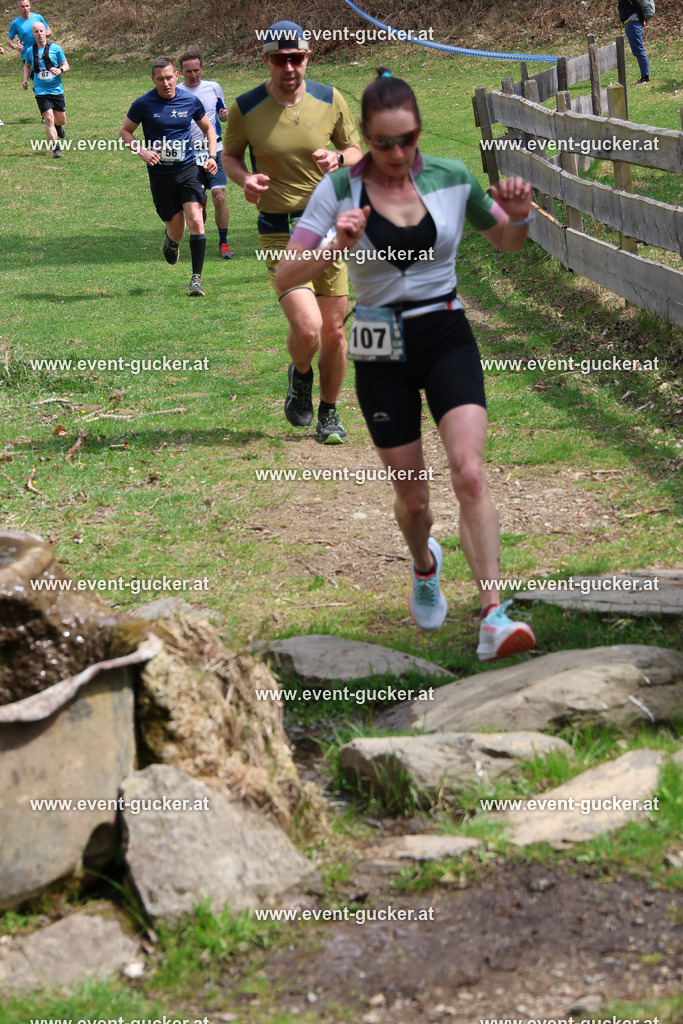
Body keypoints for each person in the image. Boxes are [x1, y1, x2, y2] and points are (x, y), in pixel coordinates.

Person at [276, 68, 537, 661]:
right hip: (376, 334)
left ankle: (493, 613)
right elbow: (285, 276)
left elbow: (507, 242)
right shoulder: (336, 192)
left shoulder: (450, 177)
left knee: (469, 471)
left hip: (444, 326)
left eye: (408, 139)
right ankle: (424, 564)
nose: (398, 154)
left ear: (420, 132)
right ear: (364, 138)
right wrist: (335, 249)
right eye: (384, 142)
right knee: (414, 498)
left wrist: (520, 216)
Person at [223, 20, 362, 444]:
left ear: (308, 58)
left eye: (296, 58)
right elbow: (228, 156)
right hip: (279, 232)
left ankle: (329, 412)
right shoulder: (246, 107)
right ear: (266, 60)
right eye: (280, 59)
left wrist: (338, 159)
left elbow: (356, 151)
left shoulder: (330, 98)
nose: (289, 67)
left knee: (334, 331)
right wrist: (244, 179)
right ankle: (301, 374)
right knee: (308, 329)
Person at [119, 56, 219, 297]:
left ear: (176, 76)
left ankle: (196, 279)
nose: (165, 83)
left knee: (196, 220)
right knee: (178, 230)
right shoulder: (143, 104)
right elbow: (125, 132)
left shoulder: (190, 101)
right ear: (152, 79)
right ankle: (172, 241)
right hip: (161, 174)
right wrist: (141, 151)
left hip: (188, 168)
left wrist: (212, 156)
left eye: (169, 77)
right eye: (160, 79)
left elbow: (208, 129)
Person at [178, 50, 234, 260]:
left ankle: (223, 243)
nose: (193, 75)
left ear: (202, 69)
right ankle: (198, 237)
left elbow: (223, 113)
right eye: (188, 71)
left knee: (219, 196)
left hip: (215, 150)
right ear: (180, 72)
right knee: (197, 204)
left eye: (196, 70)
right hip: (189, 155)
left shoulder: (213, 87)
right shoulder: (175, 91)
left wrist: (225, 115)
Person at [23, 22, 67, 159]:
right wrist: (25, 79)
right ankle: (56, 148)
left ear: (46, 32)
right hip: (41, 90)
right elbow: (27, 65)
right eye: (37, 31)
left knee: (61, 120)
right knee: (48, 119)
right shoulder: (30, 51)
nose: (40, 34)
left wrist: (59, 70)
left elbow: (66, 65)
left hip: (56, 89)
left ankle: (58, 127)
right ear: (33, 34)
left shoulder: (56, 49)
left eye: (42, 31)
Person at [618, 0, 650, 83]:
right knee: (638, 51)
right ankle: (645, 76)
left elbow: (637, 4)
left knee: (639, 51)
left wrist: (642, 19)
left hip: (633, 23)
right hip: (631, 22)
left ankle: (645, 78)